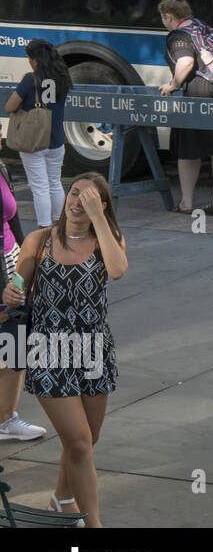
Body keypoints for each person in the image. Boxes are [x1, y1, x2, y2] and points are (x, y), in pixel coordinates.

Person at [2, 174, 128, 527]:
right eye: (73, 193)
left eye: (86, 198)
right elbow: (17, 286)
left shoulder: (108, 239)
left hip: (93, 351)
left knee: (86, 440)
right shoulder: (40, 240)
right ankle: (95, 526)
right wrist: (11, 291)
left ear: (100, 206)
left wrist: (99, 218)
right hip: (49, 352)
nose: (76, 201)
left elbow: (118, 270)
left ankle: (61, 498)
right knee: (79, 441)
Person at [157, 0, 213, 216]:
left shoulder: (178, 35)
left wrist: (173, 85)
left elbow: (185, 62)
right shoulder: (199, 25)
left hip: (200, 95)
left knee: (188, 152)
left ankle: (186, 203)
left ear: (168, 16)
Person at [0, 152, 46, 444]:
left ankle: (6, 418)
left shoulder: (1, 167)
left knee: (15, 338)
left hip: (10, 259)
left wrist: (26, 263)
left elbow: (13, 218)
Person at [5, 39, 71, 228]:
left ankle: (44, 227)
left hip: (32, 141)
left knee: (39, 188)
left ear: (35, 60)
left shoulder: (30, 80)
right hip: (56, 140)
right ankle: (60, 223)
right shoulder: (63, 77)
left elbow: (10, 106)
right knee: (55, 183)